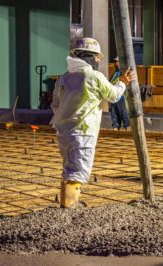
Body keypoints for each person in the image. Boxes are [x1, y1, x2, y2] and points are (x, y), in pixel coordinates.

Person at [50, 37, 136, 208]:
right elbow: (113, 95)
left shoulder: (64, 77)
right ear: (90, 56)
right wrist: (123, 83)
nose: (98, 60)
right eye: (97, 57)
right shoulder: (93, 76)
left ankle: (67, 203)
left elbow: (55, 104)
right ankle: (69, 207)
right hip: (83, 132)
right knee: (78, 171)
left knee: (69, 167)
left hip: (64, 131)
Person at [109, 56, 130, 130]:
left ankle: (127, 132)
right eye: (115, 62)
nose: (116, 63)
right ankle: (116, 132)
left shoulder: (124, 74)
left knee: (124, 116)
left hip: (121, 98)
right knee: (114, 118)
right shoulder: (115, 73)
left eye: (118, 62)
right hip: (113, 98)